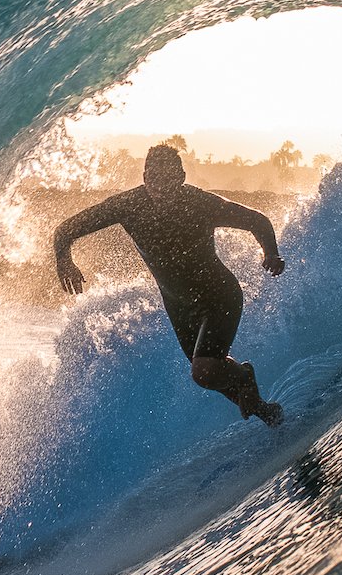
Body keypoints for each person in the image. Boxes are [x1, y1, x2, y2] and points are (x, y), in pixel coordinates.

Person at [54, 144, 286, 426]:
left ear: (181, 176)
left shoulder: (199, 203)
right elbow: (66, 230)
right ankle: (268, 413)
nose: (160, 185)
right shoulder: (128, 206)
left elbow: (256, 220)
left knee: (204, 371)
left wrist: (270, 253)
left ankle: (246, 376)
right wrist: (64, 260)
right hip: (179, 307)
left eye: (167, 178)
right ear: (144, 176)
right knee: (211, 378)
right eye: (153, 177)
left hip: (219, 296)